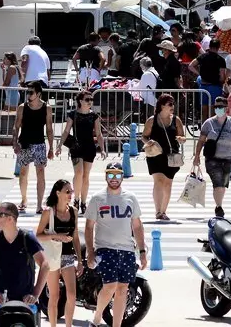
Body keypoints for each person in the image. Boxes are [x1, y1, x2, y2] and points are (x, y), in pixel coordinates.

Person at [85, 162, 147, 327]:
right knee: (110, 285)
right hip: (105, 248)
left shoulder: (130, 198)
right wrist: (90, 252)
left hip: (127, 250)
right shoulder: (97, 198)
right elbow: (89, 227)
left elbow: (137, 226)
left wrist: (142, 252)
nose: (114, 178)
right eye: (110, 175)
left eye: (117, 175)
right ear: (106, 176)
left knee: (122, 289)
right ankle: (97, 318)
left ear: (122, 177)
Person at [0, 202, 49, 321]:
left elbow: (45, 265)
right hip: (2, 300)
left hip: (25, 300)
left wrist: (35, 294)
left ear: (10, 218)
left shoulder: (27, 238)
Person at [35, 180, 83, 327]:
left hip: (68, 256)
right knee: (54, 296)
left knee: (72, 295)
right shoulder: (48, 212)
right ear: (58, 193)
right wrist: (56, 236)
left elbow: (75, 236)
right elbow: (38, 235)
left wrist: (80, 260)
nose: (70, 194)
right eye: (67, 191)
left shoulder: (74, 211)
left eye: (71, 191)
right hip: (52, 257)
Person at [194, 96, 231, 217]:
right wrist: (197, 156)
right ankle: (219, 207)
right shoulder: (208, 123)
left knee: (223, 185)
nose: (218, 109)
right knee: (218, 183)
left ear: (226, 108)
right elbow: (201, 140)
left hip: (228, 158)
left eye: (220, 107)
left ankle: (218, 204)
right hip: (212, 159)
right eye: (216, 107)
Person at [57, 90, 105, 214]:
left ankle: (83, 202)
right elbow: (66, 131)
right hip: (76, 147)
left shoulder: (94, 116)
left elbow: (99, 134)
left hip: (89, 147)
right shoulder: (73, 114)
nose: (90, 102)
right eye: (87, 99)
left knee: (86, 176)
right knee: (78, 173)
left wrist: (103, 149)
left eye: (91, 100)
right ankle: (76, 199)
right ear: (80, 101)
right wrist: (59, 146)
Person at [12, 80, 55, 214]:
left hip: (39, 144)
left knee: (40, 173)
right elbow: (16, 126)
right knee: (23, 173)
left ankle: (39, 205)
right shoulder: (22, 107)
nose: (28, 95)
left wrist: (51, 148)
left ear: (38, 94)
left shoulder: (46, 108)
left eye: (31, 92)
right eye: (27, 92)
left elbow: (49, 129)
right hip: (24, 143)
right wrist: (14, 142)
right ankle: (24, 199)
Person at [141, 94, 186, 220]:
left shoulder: (176, 120)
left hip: (171, 155)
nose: (173, 106)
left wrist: (181, 139)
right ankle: (158, 212)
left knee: (168, 184)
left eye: (173, 104)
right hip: (155, 155)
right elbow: (144, 136)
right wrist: (148, 142)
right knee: (158, 181)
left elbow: (183, 137)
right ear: (162, 106)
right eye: (170, 104)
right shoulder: (152, 120)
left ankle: (164, 211)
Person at [190, 38, 228, 120]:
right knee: (213, 110)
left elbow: (191, 66)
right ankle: (212, 126)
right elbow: (222, 76)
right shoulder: (221, 60)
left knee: (204, 109)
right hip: (215, 86)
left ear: (209, 46)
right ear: (218, 47)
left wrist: (199, 73)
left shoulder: (202, 56)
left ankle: (204, 126)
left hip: (203, 86)